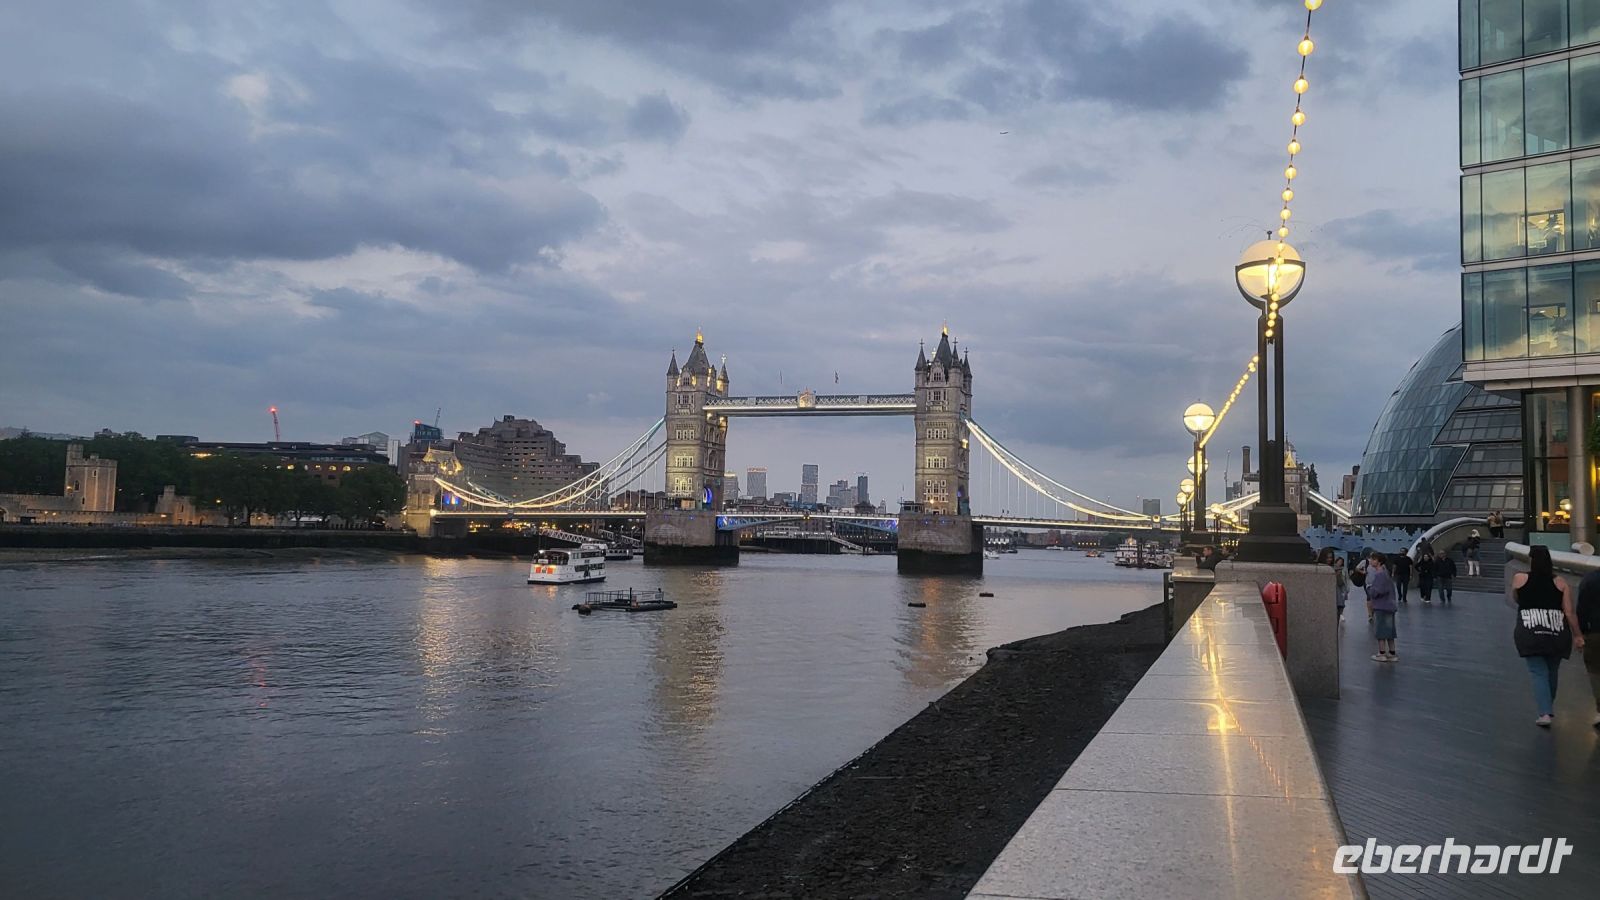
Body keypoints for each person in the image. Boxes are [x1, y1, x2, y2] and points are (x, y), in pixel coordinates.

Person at [1509, 545, 1584, 727]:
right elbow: (1569, 612)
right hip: (1556, 632)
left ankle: (1545, 712)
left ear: (1531, 560)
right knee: (1552, 671)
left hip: (1530, 631)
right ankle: (1547, 707)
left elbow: (1516, 598)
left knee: (1538, 672)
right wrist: (1578, 635)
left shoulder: (1519, 578)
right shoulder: (1561, 582)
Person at [1365, 552, 1399, 661]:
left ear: (1378, 561)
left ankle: (1381, 653)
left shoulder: (1379, 574)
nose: (1370, 561)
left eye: (1373, 559)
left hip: (1381, 605)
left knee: (1380, 630)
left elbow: (1378, 591)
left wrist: (1370, 589)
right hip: (1390, 605)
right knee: (1390, 631)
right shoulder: (1386, 573)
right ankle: (1392, 653)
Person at [1579, 566, 1600, 728]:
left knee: (1595, 673)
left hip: (1594, 634)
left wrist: (1580, 633)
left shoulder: (1590, 579)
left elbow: (1582, 609)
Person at [1332, 556, 1349, 623]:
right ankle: (1339, 614)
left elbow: (1346, 579)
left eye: (1341, 562)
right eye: (1339, 561)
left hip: (1342, 588)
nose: (1340, 563)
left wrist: (1347, 589)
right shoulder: (1334, 568)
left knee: (1342, 602)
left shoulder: (1344, 569)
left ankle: (1341, 614)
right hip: (1336, 588)